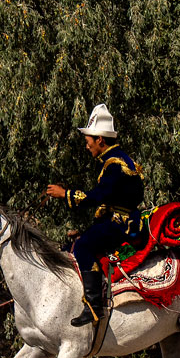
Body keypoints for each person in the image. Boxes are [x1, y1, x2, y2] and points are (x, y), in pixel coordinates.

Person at [46, 104, 145, 326]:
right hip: (119, 221)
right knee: (77, 243)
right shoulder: (116, 160)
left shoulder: (115, 164)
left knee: (83, 247)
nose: (87, 144)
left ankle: (93, 306)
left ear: (100, 139)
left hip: (122, 225)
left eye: (88, 139)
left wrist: (65, 194)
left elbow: (98, 196)